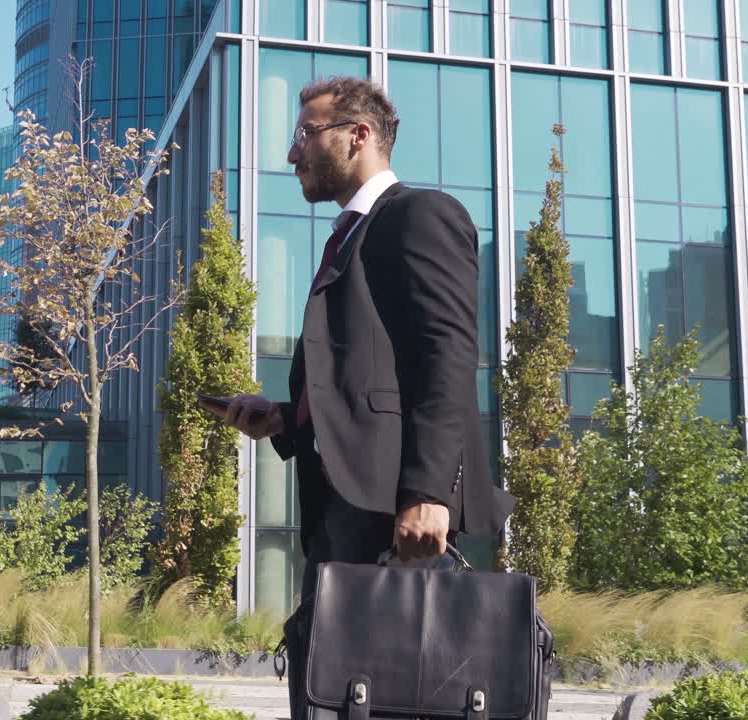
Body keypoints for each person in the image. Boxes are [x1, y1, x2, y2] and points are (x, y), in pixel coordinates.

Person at [210, 76, 514, 718]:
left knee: (410, 692)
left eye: (304, 136)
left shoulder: (418, 215)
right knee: (336, 686)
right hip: (343, 501)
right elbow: (365, 377)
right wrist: (285, 419)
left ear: (359, 135)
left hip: (399, 509)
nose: (292, 155)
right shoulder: (348, 236)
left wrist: (428, 492)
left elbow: (447, 357)